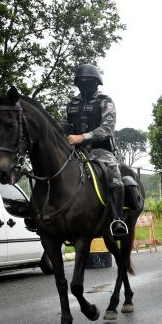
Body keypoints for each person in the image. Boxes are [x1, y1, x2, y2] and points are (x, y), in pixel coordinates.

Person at [63, 63, 127, 237]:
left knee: (115, 176)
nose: (84, 82)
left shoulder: (105, 101)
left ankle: (117, 220)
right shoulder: (71, 104)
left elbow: (108, 129)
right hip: (75, 151)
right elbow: (64, 127)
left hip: (100, 151)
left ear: (96, 82)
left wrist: (83, 137)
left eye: (88, 80)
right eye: (81, 80)